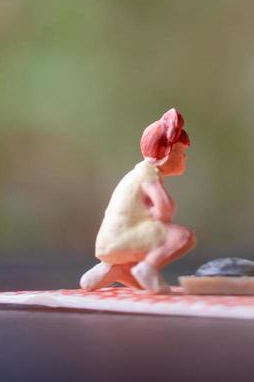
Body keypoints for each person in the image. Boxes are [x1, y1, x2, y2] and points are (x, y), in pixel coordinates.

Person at [79, 109, 196, 294]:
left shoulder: (135, 175)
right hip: (127, 236)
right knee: (183, 237)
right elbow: (164, 208)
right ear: (165, 154)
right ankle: (148, 267)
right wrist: (160, 213)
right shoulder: (148, 174)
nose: (185, 158)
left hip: (108, 242)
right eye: (181, 152)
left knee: (142, 286)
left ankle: (111, 270)